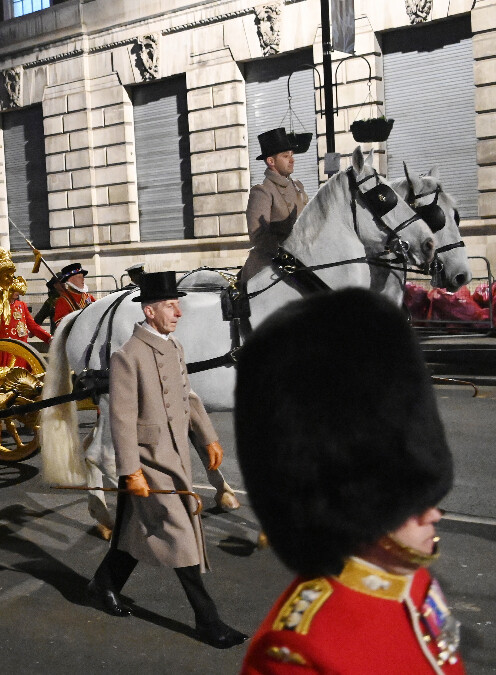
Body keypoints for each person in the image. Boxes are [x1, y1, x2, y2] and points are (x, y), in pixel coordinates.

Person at [236, 289, 463, 673]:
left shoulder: (413, 577)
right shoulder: (296, 652)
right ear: (350, 498)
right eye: (408, 501)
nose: (433, 513)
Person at [86, 271, 246, 649]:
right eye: (171, 306)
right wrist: (131, 471)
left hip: (176, 456)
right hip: (150, 460)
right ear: (150, 310)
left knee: (134, 530)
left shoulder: (173, 348)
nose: (179, 312)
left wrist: (208, 438)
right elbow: (121, 420)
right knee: (179, 532)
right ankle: (209, 621)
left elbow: (188, 397)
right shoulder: (128, 357)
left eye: (178, 305)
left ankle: (103, 584)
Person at [243, 127, 309, 282]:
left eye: (292, 155)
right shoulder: (263, 191)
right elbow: (258, 236)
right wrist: (289, 251)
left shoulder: (298, 186)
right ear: (271, 161)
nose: (292, 160)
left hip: (302, 263)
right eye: (286, 156)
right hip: (270, 271)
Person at [0, 277, 50, 368]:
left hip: (21, 350)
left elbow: (33, 326)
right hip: (4, 351)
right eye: (14, 289)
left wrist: (49, 338)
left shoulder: (21, 305)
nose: (17, 292)